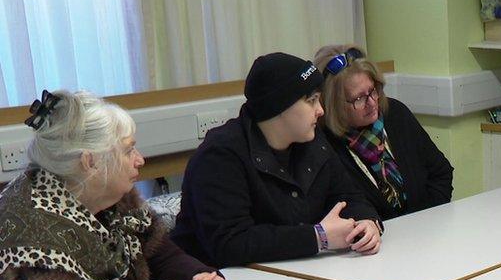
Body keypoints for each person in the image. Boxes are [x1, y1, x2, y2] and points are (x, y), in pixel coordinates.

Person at [0, 90, 227, 280]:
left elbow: (162, 255)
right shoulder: (30, 218)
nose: (140, 160)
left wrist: (202, 278)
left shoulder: (110, 194)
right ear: (90, 162)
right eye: (128, 150)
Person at [172, 52, 382, 268]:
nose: (320, 110)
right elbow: (230, 243)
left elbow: (350, 195)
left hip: (299, 271)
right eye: (311, 101)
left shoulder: (311, 139)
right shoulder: (219, 156)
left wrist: (366, 222)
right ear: (279, 108)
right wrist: (317, 237)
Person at [313, 45, 454, 219]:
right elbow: (336, 212)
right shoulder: (323, 144)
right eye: (359, 98)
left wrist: (424, 221)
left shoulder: (395, 113)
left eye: (373, 90)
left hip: (424, 231)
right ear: (334, 105)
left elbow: (440, 172)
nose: (372, 102)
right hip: (375, 242)